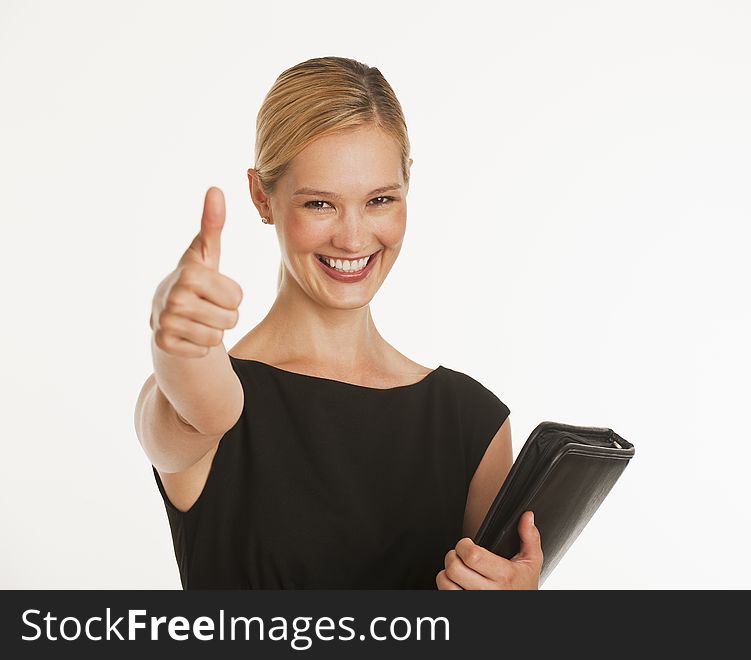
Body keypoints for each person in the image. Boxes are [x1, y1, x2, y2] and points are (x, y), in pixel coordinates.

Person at [133, 56, 543, 589]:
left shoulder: (473, 423)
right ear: (263, 196)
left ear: (407, 185)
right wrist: (177, 340)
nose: (353, 239)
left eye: (379, 200)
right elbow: (196, 403)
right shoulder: (219, 402)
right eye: (320, 203)